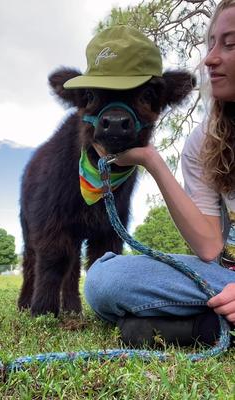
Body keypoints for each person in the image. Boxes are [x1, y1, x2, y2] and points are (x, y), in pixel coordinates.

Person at [84, 0, 235, 347]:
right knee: (104, 278)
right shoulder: (205, 142)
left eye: (230, 44)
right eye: (210, 43)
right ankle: (212, 323)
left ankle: (204, 329)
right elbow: (210, 248)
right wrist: (151, 160)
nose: (210, 59)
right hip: (222, 276)